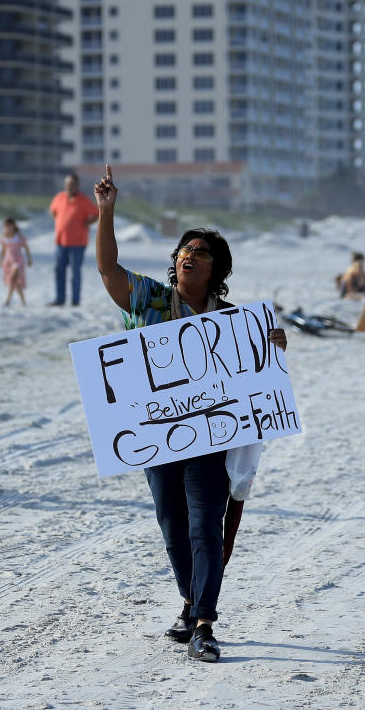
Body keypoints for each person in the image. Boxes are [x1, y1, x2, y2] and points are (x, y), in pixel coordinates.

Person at [93, 164, 287, 664]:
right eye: (185, 250)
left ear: (216, 269)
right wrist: (106, 212)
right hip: (158, 437)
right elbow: (108, 271)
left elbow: (259, 370)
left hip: (211, 441)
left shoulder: (232, 320)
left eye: (201, 253)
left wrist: (274, 346)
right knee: (172, 527)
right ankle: (189, 600)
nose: (189, 257)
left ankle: (204, 622)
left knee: (206, 526)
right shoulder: (152, 302)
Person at [49, 171, 99, 306]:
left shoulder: (84, 200)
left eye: (72, 184)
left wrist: (87, 223)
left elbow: (96, 214)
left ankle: (75, 300)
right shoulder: (59, 197)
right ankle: (60, 299)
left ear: (77, 185)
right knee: (59, 271)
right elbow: (53, 211)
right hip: (60, 241)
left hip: (78, 242)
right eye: (67, 184)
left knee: (75, 272)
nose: (69, 186)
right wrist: (61, 223)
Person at [0, 217, 32, 307]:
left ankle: (8, 300)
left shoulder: (19, 236)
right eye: (7, 226)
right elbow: (3, 250)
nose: (9, 228)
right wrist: (1, 261)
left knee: (13, 279)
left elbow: (26, 248)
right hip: (9, 260)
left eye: (10, 226)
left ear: (14, 226)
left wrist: (29, 259)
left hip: (18, 260)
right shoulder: (4, 237)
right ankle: (23, 301)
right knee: (15, 283)